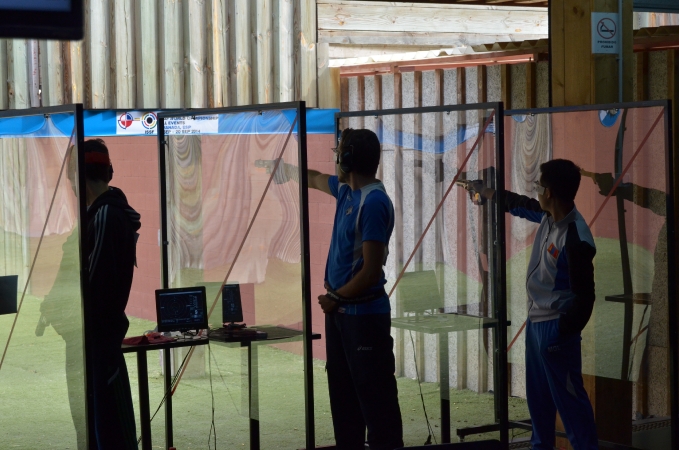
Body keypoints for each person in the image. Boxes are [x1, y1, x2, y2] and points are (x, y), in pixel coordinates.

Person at [462, 159, 598, 450]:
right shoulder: (549, 214)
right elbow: (517, 202)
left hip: (555, 330)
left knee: (572, 406)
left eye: (539, 185)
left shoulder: (575, 238)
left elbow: (585, 299)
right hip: (537, 324)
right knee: (539, 405)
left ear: (549, 192)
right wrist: (484, 192)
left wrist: (561, 332)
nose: (536, 190)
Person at [308, 128, 404, 450]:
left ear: (348, 160)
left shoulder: (374, 202)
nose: (336, 158)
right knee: (344, 401)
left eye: (340, 153)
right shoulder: (347, 191)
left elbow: (371, 270)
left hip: (362, 316)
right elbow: (316, 178)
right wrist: (286, 171)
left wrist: (335, 297)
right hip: (342, 316)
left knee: (376, 406)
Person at [81, 139, 141, 449]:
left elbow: (96, 286)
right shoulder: (103, 213)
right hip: (98, 339)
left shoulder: (105, 216)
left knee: (110, 429)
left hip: (101, 339)